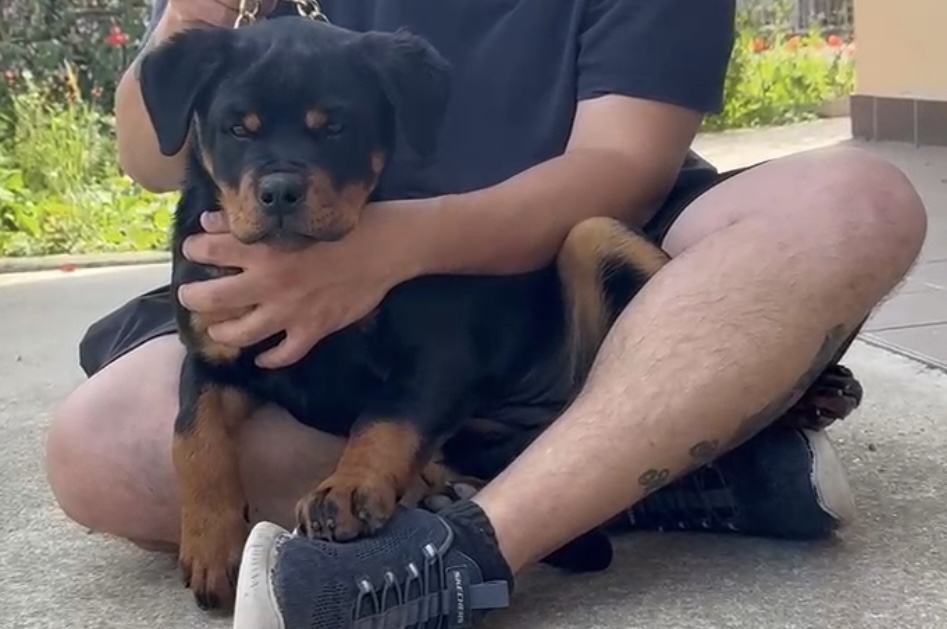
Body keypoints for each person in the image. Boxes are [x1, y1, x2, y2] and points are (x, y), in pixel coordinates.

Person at [44, 0, 927, 626]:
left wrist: (394, 245)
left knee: (851, 201)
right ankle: (670, 471)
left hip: (577, 309)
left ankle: (454, 553)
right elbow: (151, 157)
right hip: (322, 299)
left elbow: (621, 166)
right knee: (99, 447)